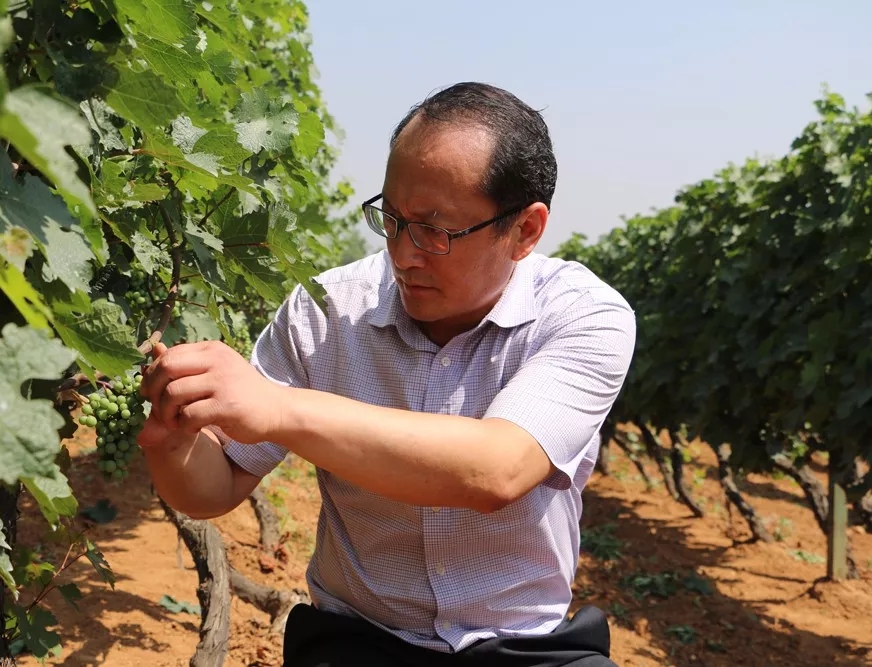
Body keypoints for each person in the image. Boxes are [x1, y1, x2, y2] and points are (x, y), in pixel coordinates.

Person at [137, 82, 637, 667]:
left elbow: (495, 469)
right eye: (393, 219)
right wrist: (173, 440)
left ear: (525, 230)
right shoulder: (324, 312)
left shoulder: (583, 316)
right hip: (356, 641)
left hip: (525, 646)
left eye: (435, 230)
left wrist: (278, 409)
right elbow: (215, 487)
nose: (403, 253)